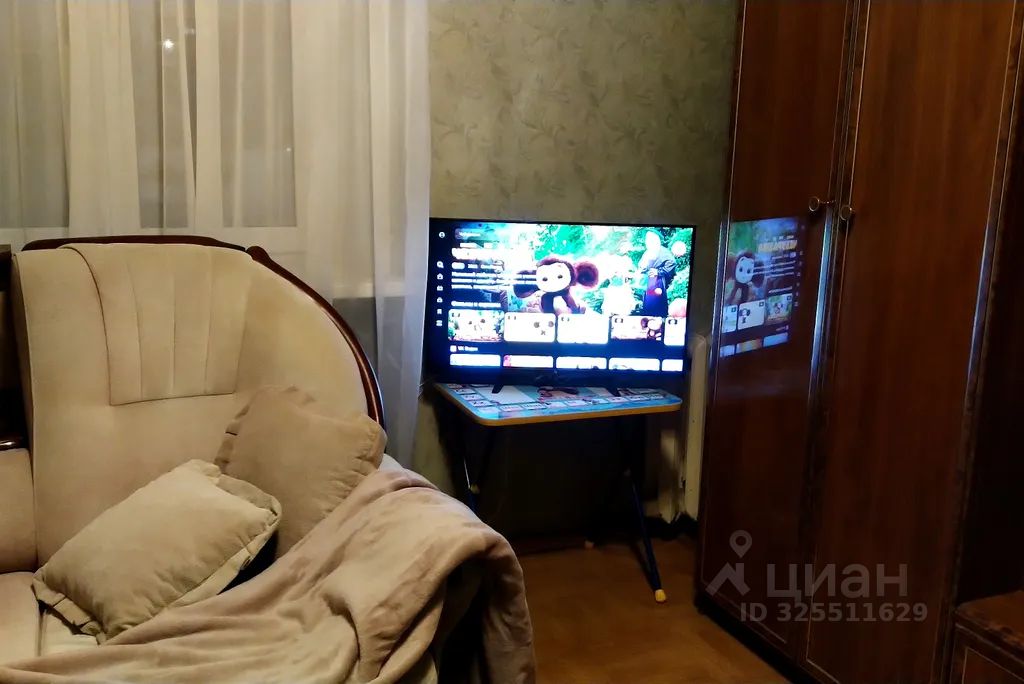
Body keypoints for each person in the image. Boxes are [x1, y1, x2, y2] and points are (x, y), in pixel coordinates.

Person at [638, 231, 676, 316]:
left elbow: (672, 263)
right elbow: (642, 266)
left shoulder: (663, 251)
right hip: (649, 281)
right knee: (649, 302)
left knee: (656, 301)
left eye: (649, 239)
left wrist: (658, 272)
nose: (647, 241)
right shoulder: (648, 252)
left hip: (657, 281)